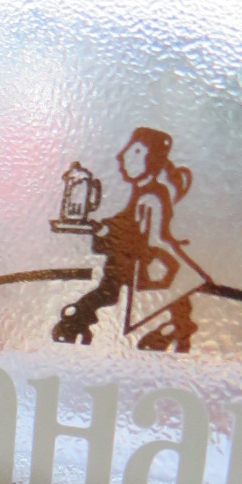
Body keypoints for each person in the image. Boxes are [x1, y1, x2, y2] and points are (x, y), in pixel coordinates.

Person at [52, 127, 198, 351]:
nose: (123, 155)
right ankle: (80, 318)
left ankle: (178, 329)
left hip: (146, 261)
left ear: (153, 159)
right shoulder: (142, 191)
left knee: (158, 292)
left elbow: (149, 235)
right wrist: (102, 228)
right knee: (111, 288)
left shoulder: (151, 195)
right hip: (133, 261)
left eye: (137, 150)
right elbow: (126, 221)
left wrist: (105, 231)